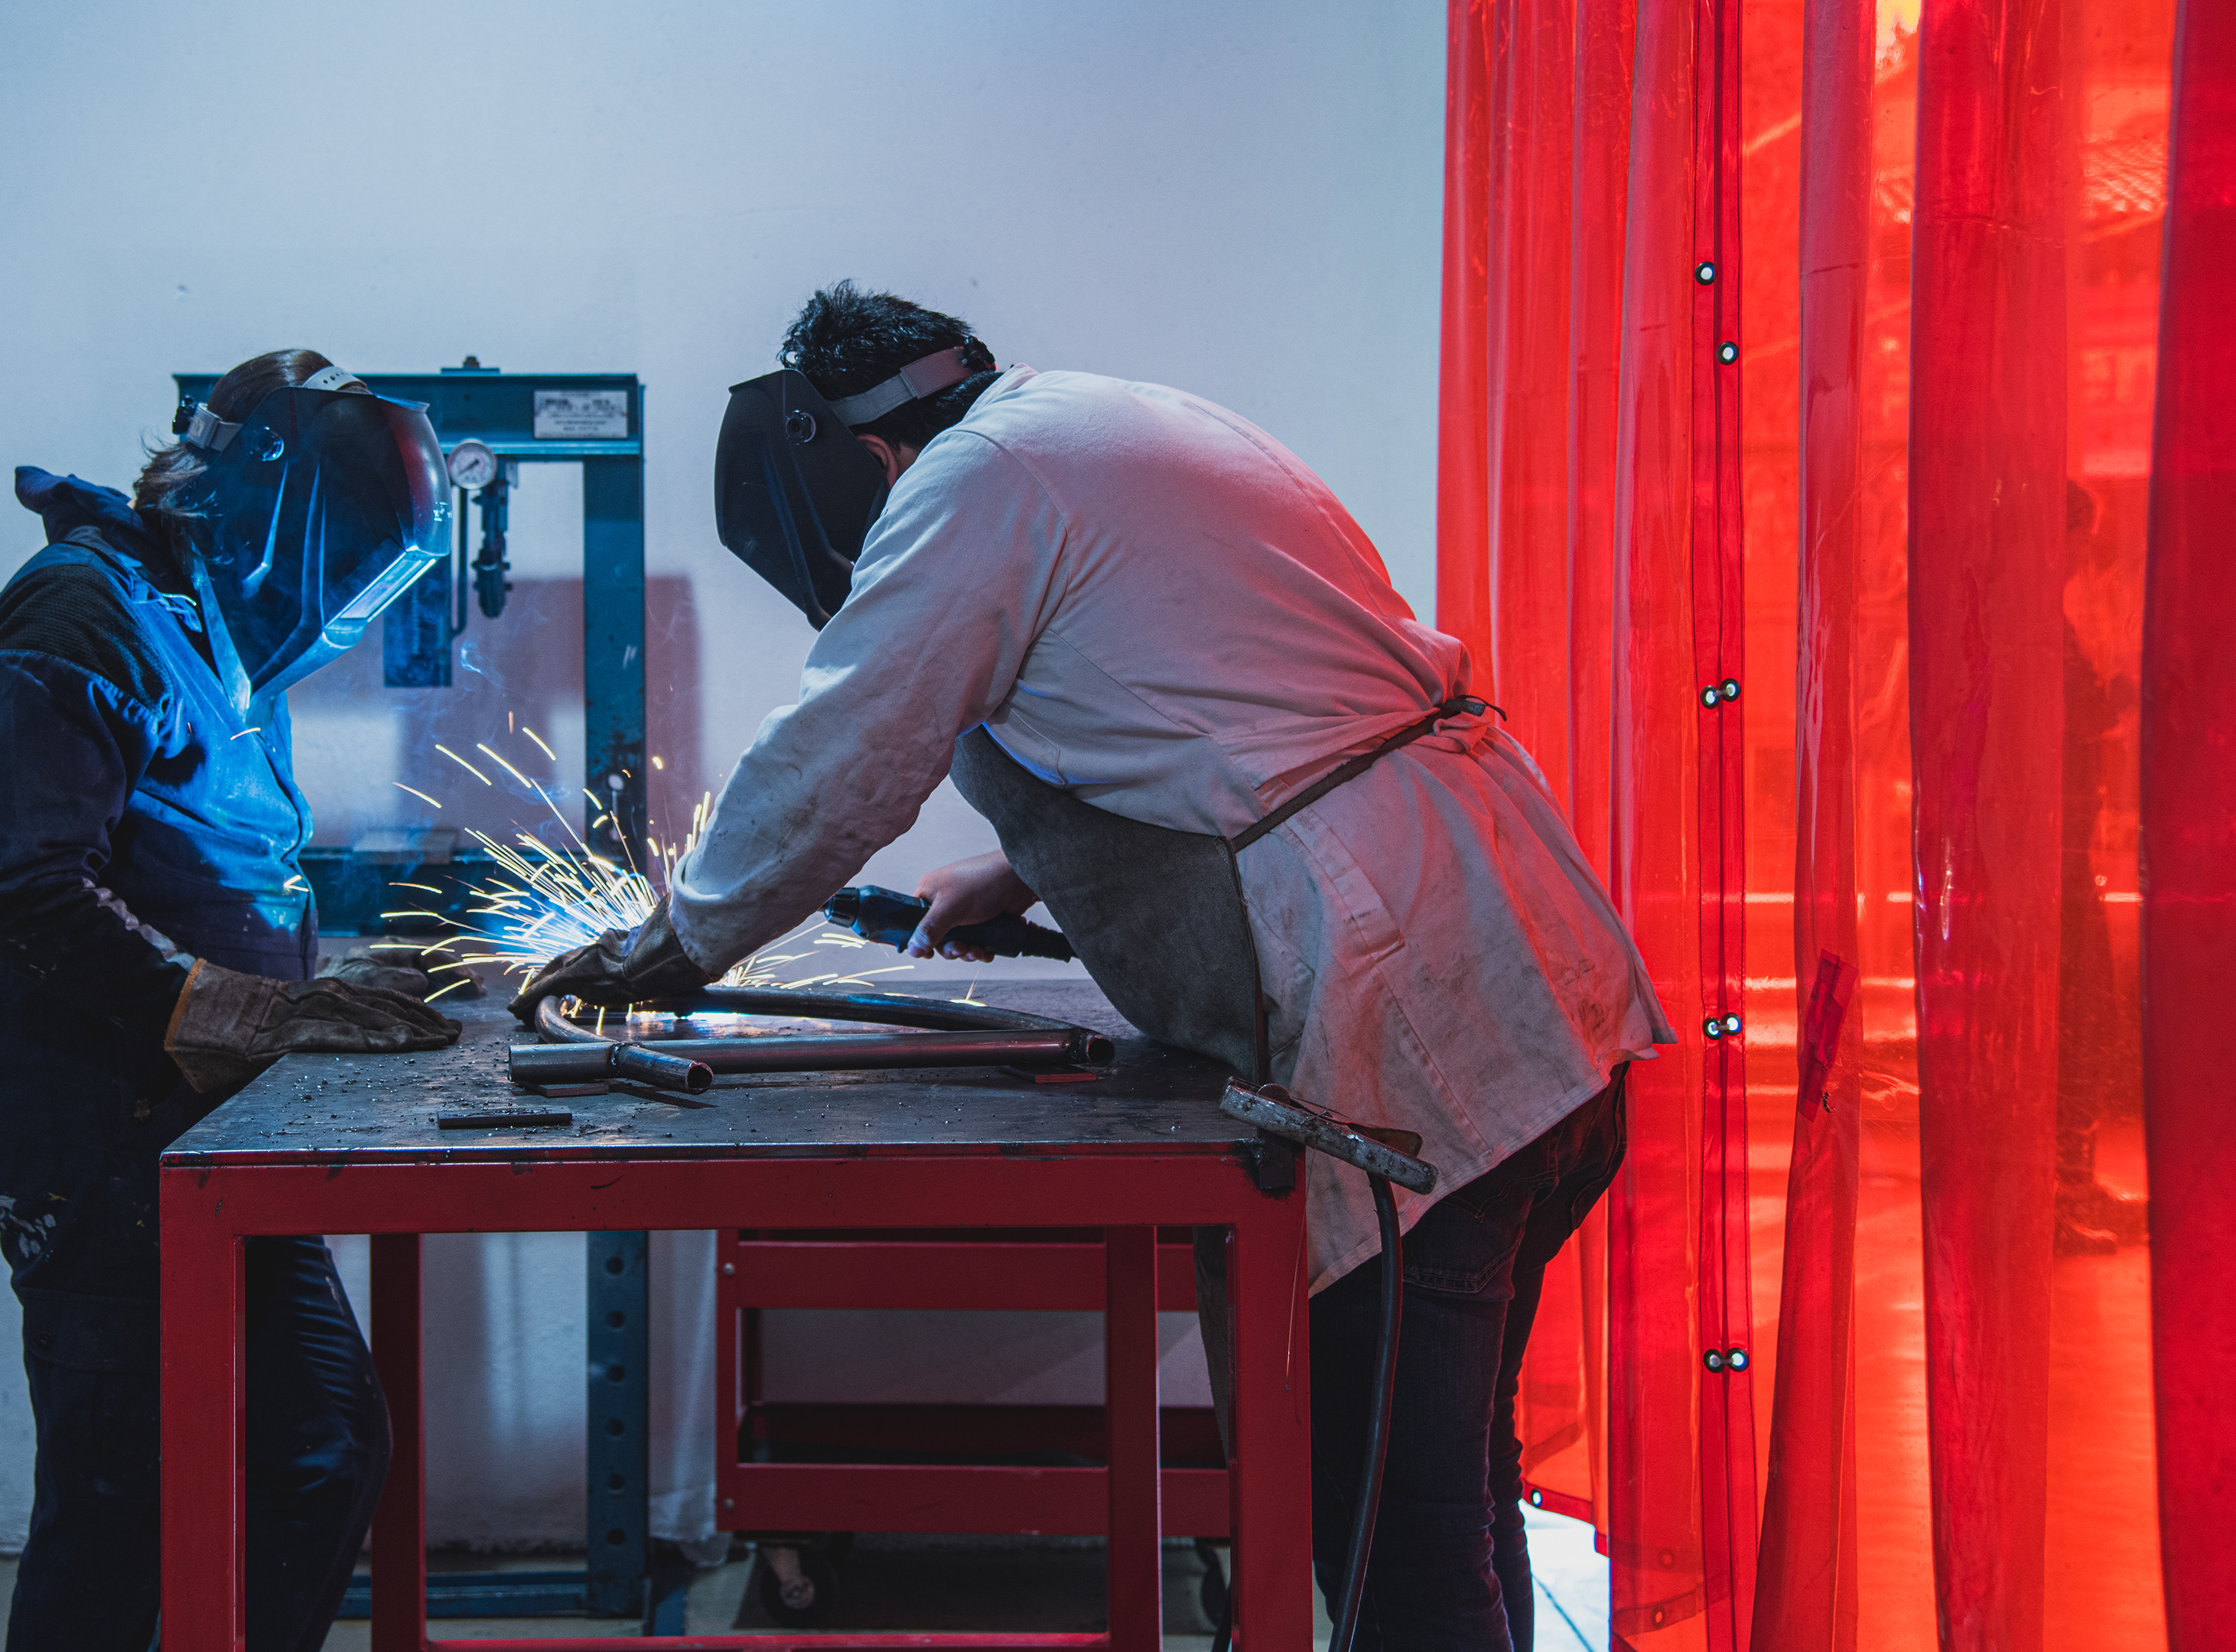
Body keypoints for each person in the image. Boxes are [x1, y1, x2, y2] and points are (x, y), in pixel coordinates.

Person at [516, 287, 1671, 1647]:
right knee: (1450, 1499)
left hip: (1405, 1022)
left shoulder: (975, 477)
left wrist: (672, 945)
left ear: (860, 456)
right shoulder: (1104, 422)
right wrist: (1013, 868)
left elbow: (845, 750)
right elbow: (1237, 704)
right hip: (1532, 981)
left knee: (1397, 1539)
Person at [0, 349, 464, 1651]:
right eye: (338, 566)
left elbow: (200, 868)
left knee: (321, 1451)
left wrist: (313, 987)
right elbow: (22, 887)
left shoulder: (213, 633)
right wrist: (256, 1016)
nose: (335, 609)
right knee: (116, 1514)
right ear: (259, 504)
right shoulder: (81, 615)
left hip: (209, 1135)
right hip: (98, 1137)